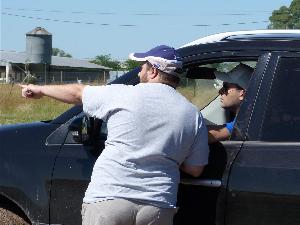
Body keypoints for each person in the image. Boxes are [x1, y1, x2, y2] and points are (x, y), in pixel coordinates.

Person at [20, 45, 209, 225]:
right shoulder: (192, 114)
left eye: (142, 68)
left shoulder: (122, 94)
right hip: (158, 204)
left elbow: (78, 93)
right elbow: (195, 169)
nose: (138, 73)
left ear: (153, 71)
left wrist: (40, 89)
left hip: (110, 197)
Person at [207, 63, 253, 143]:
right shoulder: (247, 113)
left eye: (225, 87)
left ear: (242, 94)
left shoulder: (248, 120)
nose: (220, 91)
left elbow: (214, 135)